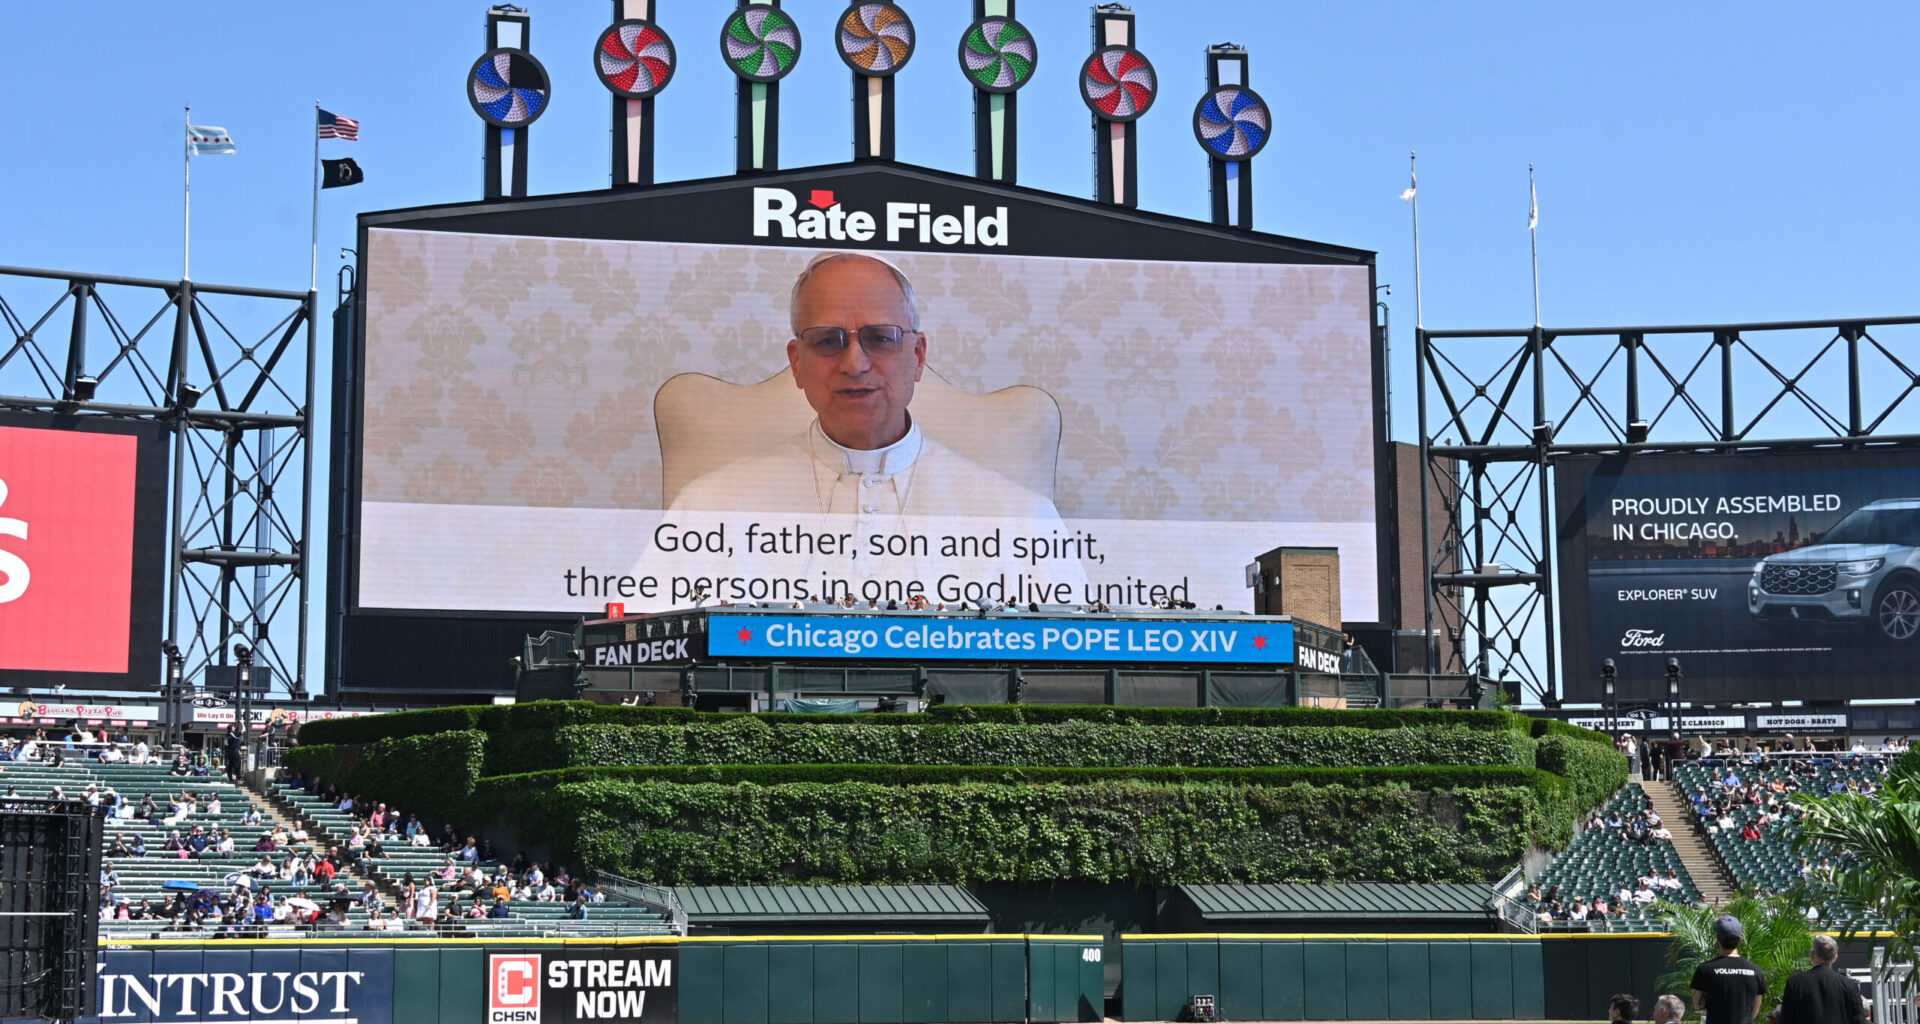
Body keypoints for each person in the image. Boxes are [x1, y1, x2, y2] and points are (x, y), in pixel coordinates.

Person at [669, 252, 1071, 524]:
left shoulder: (1020, 518)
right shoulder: (708, 508)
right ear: (797, 362)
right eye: (828, 340)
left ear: (917, 355)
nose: (854, 364)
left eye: (880, 338)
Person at [1692, 916, 1767, 1024]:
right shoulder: (1756, 971)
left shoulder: (1705, 969)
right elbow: (1754, 1012)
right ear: (1740, 939)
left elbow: (1697, 1005)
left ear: (1717, 939)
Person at [1776, 935, 1864, 1024]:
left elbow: (1786, 1019)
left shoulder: (1794, 983)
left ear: (1812, 955)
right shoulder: (1850, 985)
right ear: (1835, 957)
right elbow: (1859, 1020)